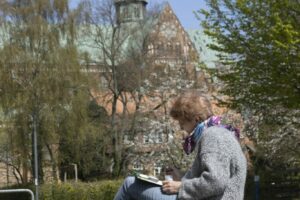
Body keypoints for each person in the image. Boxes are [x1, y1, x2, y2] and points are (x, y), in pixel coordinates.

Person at [114, 92, 247, 200]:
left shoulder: (213, 136)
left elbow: (215, 182)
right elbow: (215, 177)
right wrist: (181, 176)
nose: (181, 128)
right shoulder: (220, 133)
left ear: (195, 119)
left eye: (182, 123)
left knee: (130, 184)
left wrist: (180, 186)